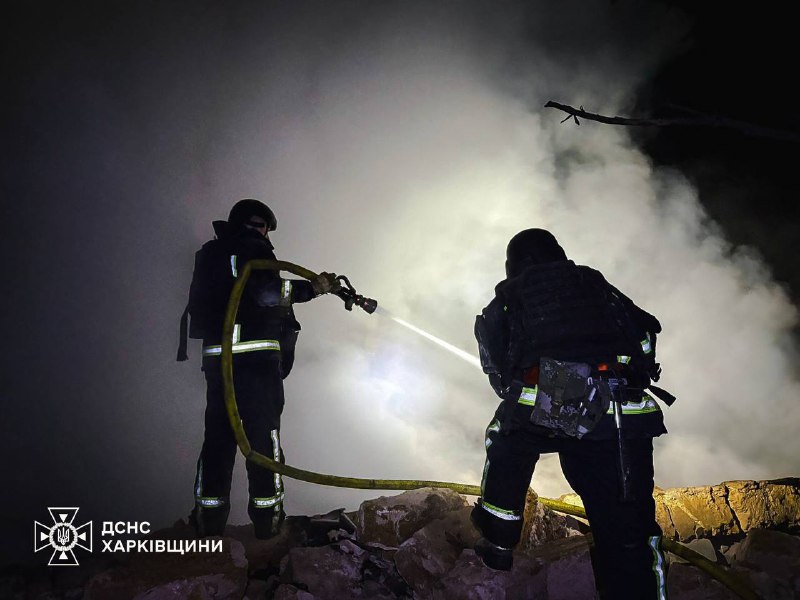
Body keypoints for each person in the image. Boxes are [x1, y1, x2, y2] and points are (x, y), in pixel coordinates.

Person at [471, 228, 670, 600]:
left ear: (515, 264)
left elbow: (498, 369)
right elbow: (645, 340)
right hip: (626, 412)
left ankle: (498, 541)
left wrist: (542, 378)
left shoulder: (511, 297)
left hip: (563, 401)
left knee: (506, 436)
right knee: (631, 536)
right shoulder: (596, 284)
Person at [177, 199, 339, 539]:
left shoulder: (216, 254)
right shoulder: (252, 250)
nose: (264, 233)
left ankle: (208, 522)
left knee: (218, 440)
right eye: (263, 226)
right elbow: (268, 294)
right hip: (255, 364)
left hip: (220, 363)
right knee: (264, 442)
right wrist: (314, 288)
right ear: (256, 226)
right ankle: (269, 524)